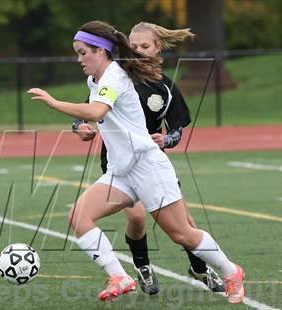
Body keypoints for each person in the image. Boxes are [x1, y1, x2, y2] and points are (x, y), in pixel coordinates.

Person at [28, 20, 245, 304]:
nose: (79, 58)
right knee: (79, 217)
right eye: (77, 52)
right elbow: (94, 114)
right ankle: (119, 276)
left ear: (102, 50)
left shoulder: (115, 76)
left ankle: (231, 272)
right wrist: (80, 127)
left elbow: (96, 110)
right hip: (122, 171)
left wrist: (54, 103)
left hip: (147, 165)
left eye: (83, 52)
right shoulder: (95, 80)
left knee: (182, 233)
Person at [71, 22, 225, 295]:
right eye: (134, 45)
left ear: (158, 49)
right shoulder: (112, 75)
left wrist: (167, 139)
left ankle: (200, 268)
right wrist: (78, 126)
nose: (139, 50)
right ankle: (142, 267)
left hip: (150, 163)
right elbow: (89, 110)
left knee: (184, 225)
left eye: (145, 46)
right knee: (137, 217)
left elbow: (177, 128)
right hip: (118, 163)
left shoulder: (163, 86)